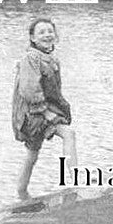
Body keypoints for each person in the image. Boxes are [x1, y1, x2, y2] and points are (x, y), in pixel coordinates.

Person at [12, 17, 77, 202]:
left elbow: (53, 91)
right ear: (32, 38)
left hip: (41, 111)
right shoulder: (31, 58)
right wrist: (46, 112)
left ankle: (21, 192)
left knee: (33, 153)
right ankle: (75, 184)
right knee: (67, 134)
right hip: (33, 114)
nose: (47, 35)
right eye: (41, 32)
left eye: (50, 31)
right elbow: (28, 89)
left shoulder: (51, 58)